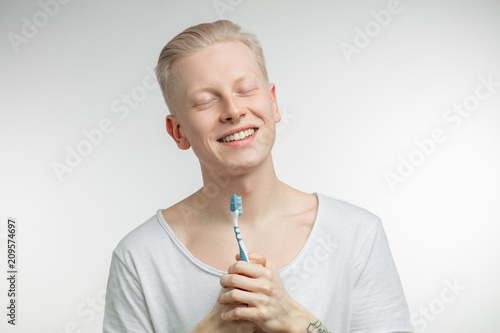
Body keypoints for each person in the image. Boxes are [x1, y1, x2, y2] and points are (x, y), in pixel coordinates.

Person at [103, 20, 414, 333]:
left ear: (273, 102)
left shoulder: (356, 234)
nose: (233, 110)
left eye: (246, 89)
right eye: (205, 100)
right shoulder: (140, 258)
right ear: (178, 131)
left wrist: (297, 322)